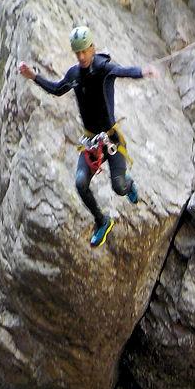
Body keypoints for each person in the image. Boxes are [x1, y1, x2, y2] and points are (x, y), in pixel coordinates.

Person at [18, 26, 157, 247]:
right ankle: (102, 221)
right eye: (78, 53)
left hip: (111, 140)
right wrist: (33, 76)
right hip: (91, 141)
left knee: (118, 187)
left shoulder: (104, 68)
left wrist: (142, 72)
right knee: (80, 183)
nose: (81, 57)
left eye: (85, 51)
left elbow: (123, 71)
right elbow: (56, 89)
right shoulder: (74, 75)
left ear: (92, 48)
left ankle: (129, 186)